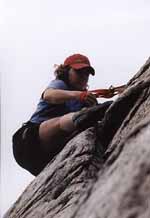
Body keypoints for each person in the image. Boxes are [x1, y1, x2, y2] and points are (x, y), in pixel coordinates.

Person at [12, 54, 113, 176]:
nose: (83, 77)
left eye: (86, 73)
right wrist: (78, 95)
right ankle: (77, 118)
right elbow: (49, 95)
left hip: (44, 157)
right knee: (72, 120)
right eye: (78, 72)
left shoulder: (84, 99)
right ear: (66, 71)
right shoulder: (60, 84)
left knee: (87, 123)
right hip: (27, 142)